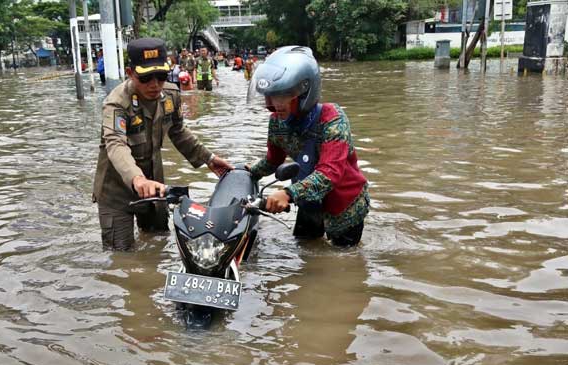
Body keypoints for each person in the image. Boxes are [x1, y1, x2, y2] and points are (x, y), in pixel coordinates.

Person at [93, 38, 233, 251]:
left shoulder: (170, 95)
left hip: (154, 183)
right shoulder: (117, 104)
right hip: (116, 190)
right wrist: (137, 179)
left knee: (158, 242)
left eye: (161, 76)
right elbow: (115, 144)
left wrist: (209, 158)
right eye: (146, 77)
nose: (155, 84)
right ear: (130, 73)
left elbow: (178, 131)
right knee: (120, 255)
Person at [248, 46, 369, 247]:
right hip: (308, 202)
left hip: (344, 207)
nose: (272, 104)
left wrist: (288, 193)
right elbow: (273, 160)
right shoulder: (277, 122)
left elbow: (329, 173)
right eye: (269, 96)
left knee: (344, 262)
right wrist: (248, 172)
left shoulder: (333, 119)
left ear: (304, 92)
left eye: (280, 96)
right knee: (305, 252)